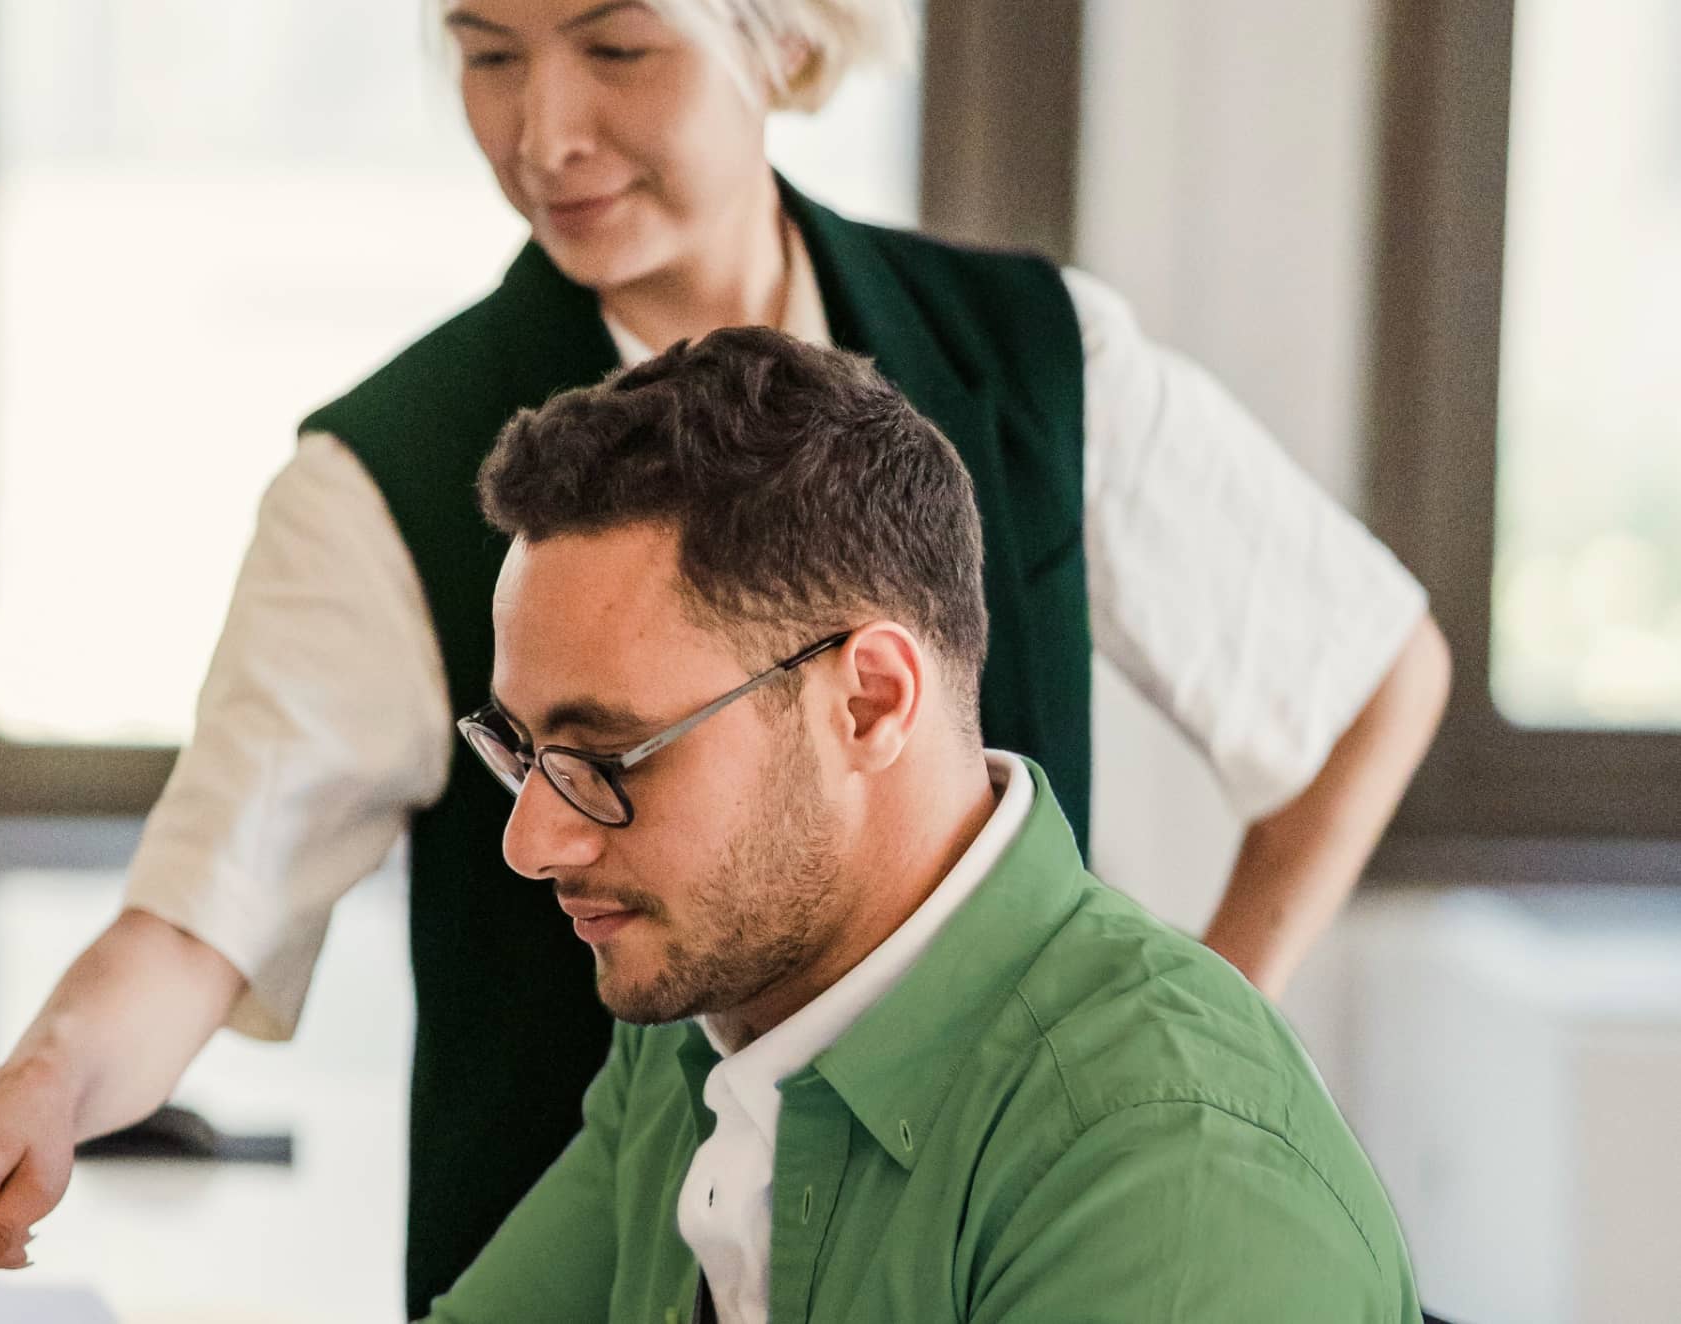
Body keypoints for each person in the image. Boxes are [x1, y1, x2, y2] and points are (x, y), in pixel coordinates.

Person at [0, 0, 1451, 1310]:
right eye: (487, 56)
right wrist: (50, 1086)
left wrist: (1154, 1050)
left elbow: (1366, 672)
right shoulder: (391, 478)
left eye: (616, 48)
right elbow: (207, 907)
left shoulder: (1042, 361)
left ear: (785, 41)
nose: (543, 134)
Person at [425, 328, 1420, 1321]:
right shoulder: (705, 1008)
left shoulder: (1171, 1174)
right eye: (523, 750)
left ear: (869, 702)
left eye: (608, 755)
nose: (533, 840)